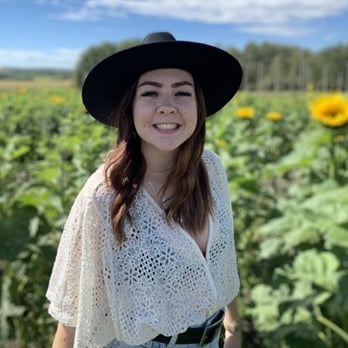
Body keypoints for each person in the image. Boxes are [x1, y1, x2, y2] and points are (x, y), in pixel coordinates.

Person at [46, 32, 243, 348]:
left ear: (199, 105)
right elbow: (73, 317)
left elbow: (218, 263)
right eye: (150, 94)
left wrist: (233, 326)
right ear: (131, 107)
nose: (167, 107)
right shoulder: (104, 196)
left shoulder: (212, 169)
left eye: (182, 93)